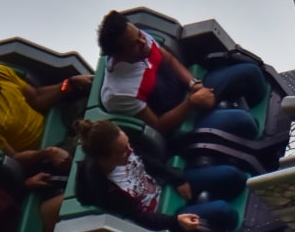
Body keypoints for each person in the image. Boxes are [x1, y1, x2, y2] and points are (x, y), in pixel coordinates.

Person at [97, 10, 267, 138]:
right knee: (245, 122)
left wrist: (194, 84)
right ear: (119, 55)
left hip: (190, 93)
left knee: (251, 73)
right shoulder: (120, 93)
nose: (143, 41)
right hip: (182, 125)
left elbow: (170, 60)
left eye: (140, 35)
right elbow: (159, 126)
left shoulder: (139, 40)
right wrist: (192, 103)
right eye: (135, 44)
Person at [74, 119, 246, 232]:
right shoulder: (104, 189)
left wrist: (176, 179)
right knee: (224, 211)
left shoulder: (124, 150)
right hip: (163, 217)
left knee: (231, 175)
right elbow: (138, 217)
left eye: (128, 144)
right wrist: (175, 222)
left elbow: (148, 162)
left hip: (166, 188)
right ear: (104, 159)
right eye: (123, 151)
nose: (130, 151)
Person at [0, 45, 93, 173]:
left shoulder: (0, 72)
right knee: (91, 143)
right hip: (45, 152)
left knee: (89, 104)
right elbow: (14, 159)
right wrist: (48, 153)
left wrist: (70, 84)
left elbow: (37, 97)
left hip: (54, 121)